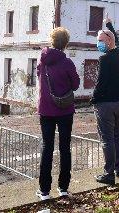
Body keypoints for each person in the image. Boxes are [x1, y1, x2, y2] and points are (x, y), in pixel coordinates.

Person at [36, 27, 80, 200]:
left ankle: (44, 191)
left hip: (46, 109)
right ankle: (63, 188)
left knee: (47, 148)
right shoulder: (67, 62)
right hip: (65, 110)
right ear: (66, 43)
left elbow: (40, 77)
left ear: (52, 40)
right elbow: (75, 85)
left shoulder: (42, 59)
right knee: (65, 148)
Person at [92, 15, 119, 186]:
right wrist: (109, 25)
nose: (99, 44)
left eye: (101, 40)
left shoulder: (104, 59)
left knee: (107, 139)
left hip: (106, 104)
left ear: (108, 41)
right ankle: (118, 168)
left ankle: (108, 174)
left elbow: (100, 83)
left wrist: (93, 100)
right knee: (117, 135)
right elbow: (116, 39)